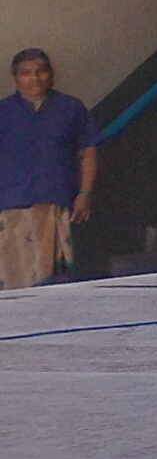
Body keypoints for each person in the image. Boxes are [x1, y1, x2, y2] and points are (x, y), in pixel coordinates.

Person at [1, 49, 98, 289]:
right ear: (15, 78)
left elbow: (88, 152)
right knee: (13, 280)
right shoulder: (3, 112)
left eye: (40, 72)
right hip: (11, 206)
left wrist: (84, 194)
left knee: (54, 282)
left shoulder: (70, 108)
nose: (34, 78)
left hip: (57, 203)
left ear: (50, 75)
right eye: (25, 73)